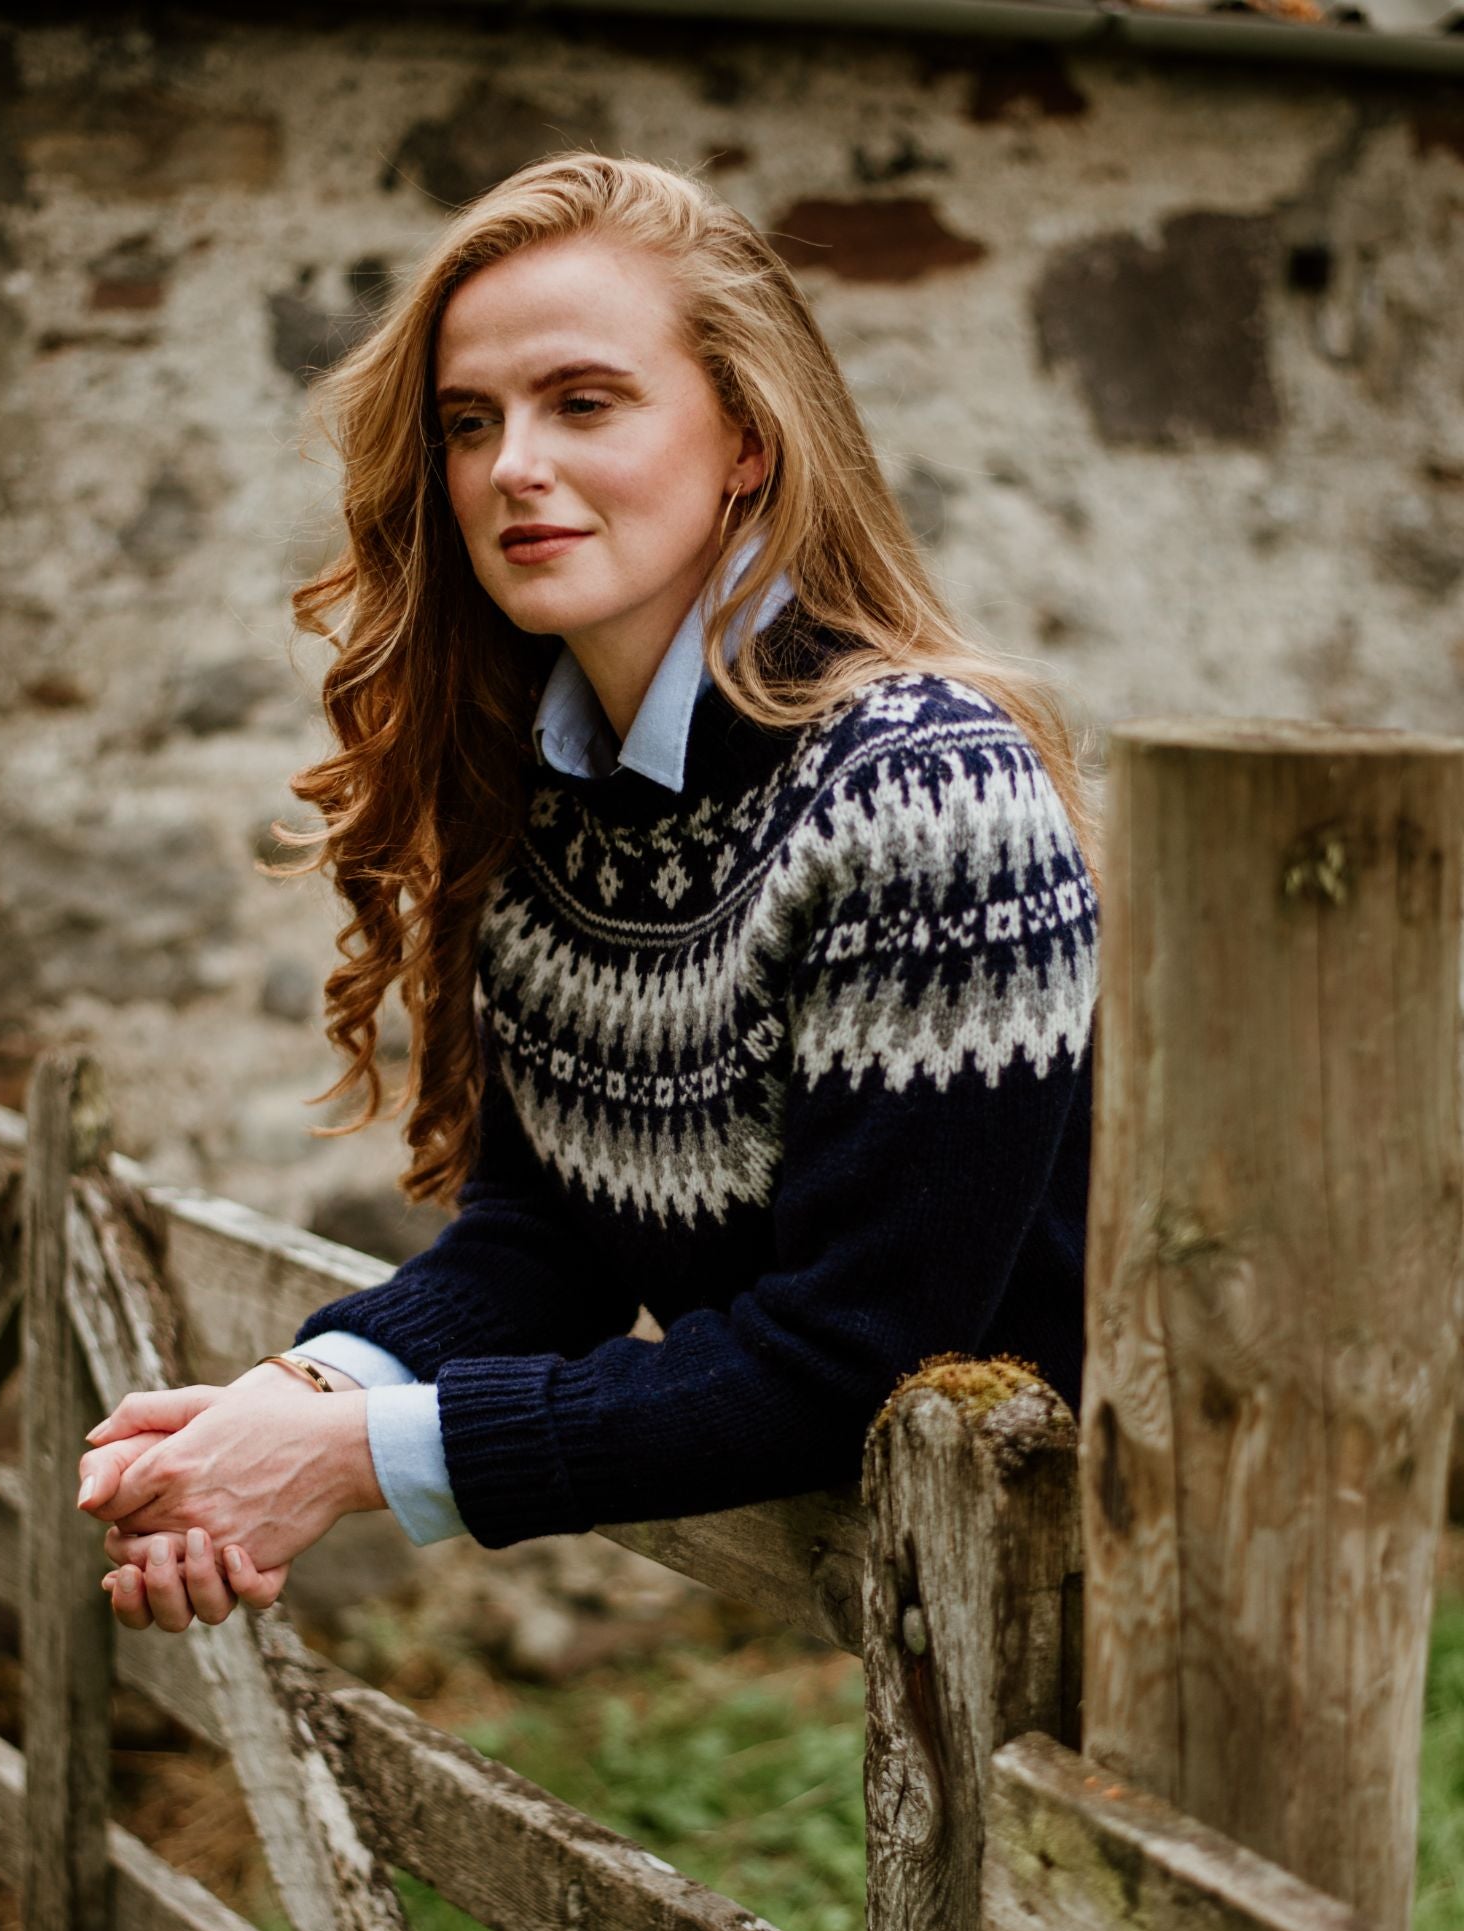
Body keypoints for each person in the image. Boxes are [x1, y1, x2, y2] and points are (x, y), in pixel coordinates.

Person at [76, 152, 1100, 1636]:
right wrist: (290, 1401)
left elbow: (855, 1360)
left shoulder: (922, 791)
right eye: (469, 423)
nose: (512, 468)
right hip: (915, 1624)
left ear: (747, 438)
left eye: (584, 402)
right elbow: (548, 1239)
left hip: (1105, 1621)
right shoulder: (554, 788)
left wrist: (355, 1459)